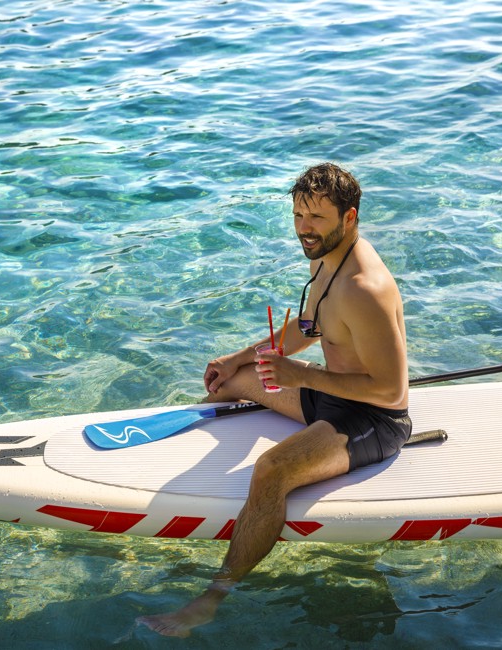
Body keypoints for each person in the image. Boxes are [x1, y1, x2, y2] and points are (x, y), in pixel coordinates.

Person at [137, 162, 412, 638]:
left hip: (371, 419)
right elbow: (311, 324)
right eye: (298, 215)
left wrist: (301, 375)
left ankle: (212, 597)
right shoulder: (325, 257)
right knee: (229, 382)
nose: (304, 229)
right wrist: (239, 356)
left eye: (317, 219)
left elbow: (391, 391)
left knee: (270, 471)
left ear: (349, 219)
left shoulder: (364, 288)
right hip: (325, 395)